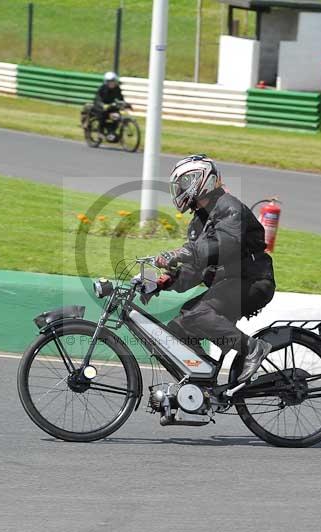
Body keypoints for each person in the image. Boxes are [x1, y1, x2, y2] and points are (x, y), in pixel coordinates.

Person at [152, 154, 276, 383]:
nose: (180, 190)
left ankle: (252, 349)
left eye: (184, 183)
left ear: (201, 180)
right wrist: (169, 280)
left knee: (197, 314)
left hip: (252, 281)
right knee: (176, 331)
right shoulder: (198, 222)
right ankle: (203, 382)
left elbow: (223, 244)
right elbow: (195, 268)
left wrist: (181, 253)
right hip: (227, 284)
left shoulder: (229, 207)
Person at [92, 71, 129, 140]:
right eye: (110, 81)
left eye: (113, 81)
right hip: (100, 106)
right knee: (103, 114)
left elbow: (120, 98)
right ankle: (100, 131)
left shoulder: (117, 88)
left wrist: (125, 104)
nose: (112, 83)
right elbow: (97, 98)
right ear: (106, 82)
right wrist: (102, 105)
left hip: (111, 106)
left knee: (117, 116)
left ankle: (111, 132)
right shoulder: (102, 88)